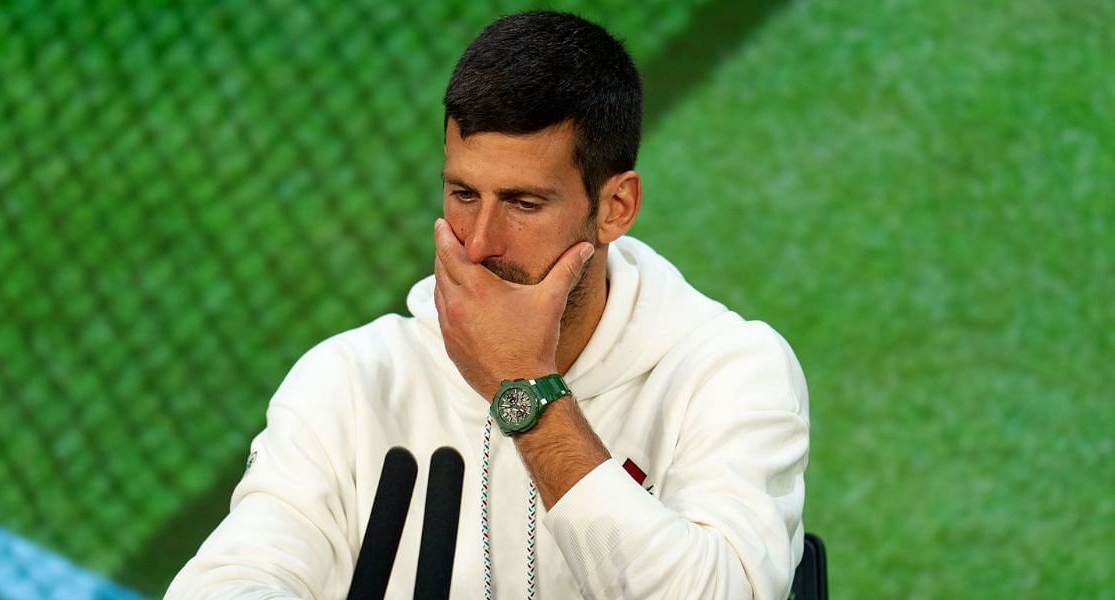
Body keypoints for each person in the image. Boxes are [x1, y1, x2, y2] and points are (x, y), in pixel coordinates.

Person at [167, 10, 808, 599]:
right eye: (463, 193)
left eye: (524, 204)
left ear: (616, 207)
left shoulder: (732, 371)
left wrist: (527, 396)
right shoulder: (352, 379)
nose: (479, 242)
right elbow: (236, 576)